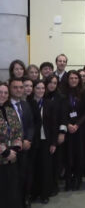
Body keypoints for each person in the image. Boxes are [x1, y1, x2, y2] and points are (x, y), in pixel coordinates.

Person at [61, 70, 85, 191]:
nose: (73, 80)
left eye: (76, 78)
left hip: (80, 129)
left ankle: (78, 179)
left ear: (79, 80)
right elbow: (61, 112)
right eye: (71, 78)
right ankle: (68, 179)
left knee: (79, 155)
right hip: (67, 129)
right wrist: (68, 124)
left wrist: (77, 125)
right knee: (68, 155)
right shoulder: (63, 93)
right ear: (67, 80)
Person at [28, 80, 57, 204]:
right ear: (33, 89)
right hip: (32, 141)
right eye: (38, 88)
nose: (40, 91)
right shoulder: (28, 103)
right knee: (33, 168)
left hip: (46, 140)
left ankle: (45, 194)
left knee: (46, 168)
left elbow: (54, 124)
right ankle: (34, 193)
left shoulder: (49, 103)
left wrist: (53, 143)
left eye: (42, 88)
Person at [9, 78, 35, 208]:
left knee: (25, 175)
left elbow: (31, 125)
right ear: (10, 89)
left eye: (21, 87)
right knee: (12, 177)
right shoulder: (5, 105)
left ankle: (25, 198)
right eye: (15, 87)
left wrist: (28, 139)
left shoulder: (25, 104)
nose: (19, 90)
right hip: (10, 150)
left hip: (25, 147)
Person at [0, 82, 23, 208]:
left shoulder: (10, 111)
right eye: (0, 92)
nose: (2, 95)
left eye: (5, 92)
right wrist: (5, 152)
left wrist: (14, 149)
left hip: (12, 158)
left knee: (12, 190)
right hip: (2, 156)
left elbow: (18, 131)